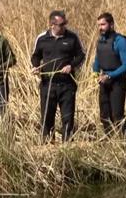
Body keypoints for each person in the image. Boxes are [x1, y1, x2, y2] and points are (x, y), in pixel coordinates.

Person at [31, 10, 85, 141]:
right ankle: (48, 143)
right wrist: (35, 66)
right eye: (61, 24)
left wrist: (71, 66)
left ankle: (67, 144)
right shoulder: (42, 38)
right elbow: (35, 56)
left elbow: (81, 55)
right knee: (47, 116)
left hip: (67, 84)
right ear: (52, 25)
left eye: (64, 24)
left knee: (67, 116)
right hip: (48, 84)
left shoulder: (72, 37)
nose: (63, 27)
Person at [92, 12, 126, 135]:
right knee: (104, 116)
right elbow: (97, 60)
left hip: (117, 82)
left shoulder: (120, 41)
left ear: (111, 24)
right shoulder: (101, 41)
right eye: (99, 25)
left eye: (103, 24)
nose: (100, 28)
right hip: (104, 81)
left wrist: (110, 75)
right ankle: (109, 142)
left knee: (117, 116)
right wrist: (95, 72)